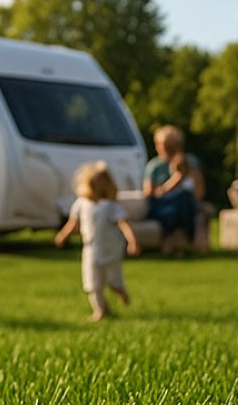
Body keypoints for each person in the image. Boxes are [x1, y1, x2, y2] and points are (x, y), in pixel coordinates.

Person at [55, 161, 140, 322]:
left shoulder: (110, 206)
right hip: (91, 249)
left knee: (113, 281)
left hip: (111, 250)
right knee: (92, 283)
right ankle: (100, 310)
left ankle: (120, 290)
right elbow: (73, 223)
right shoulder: (81, 204)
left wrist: (132, 241)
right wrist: (63, 235)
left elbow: (124, 224)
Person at [143, 125, 205, 255]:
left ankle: (172, 240)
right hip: (163, 204)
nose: (166, 149)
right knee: (178, 202)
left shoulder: (190, 162)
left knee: (183, 198)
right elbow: (149, 193)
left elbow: (199, 191)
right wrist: (175, 181)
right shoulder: (154, 166)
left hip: (187, 202)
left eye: (170, 145)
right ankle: (184, 240)